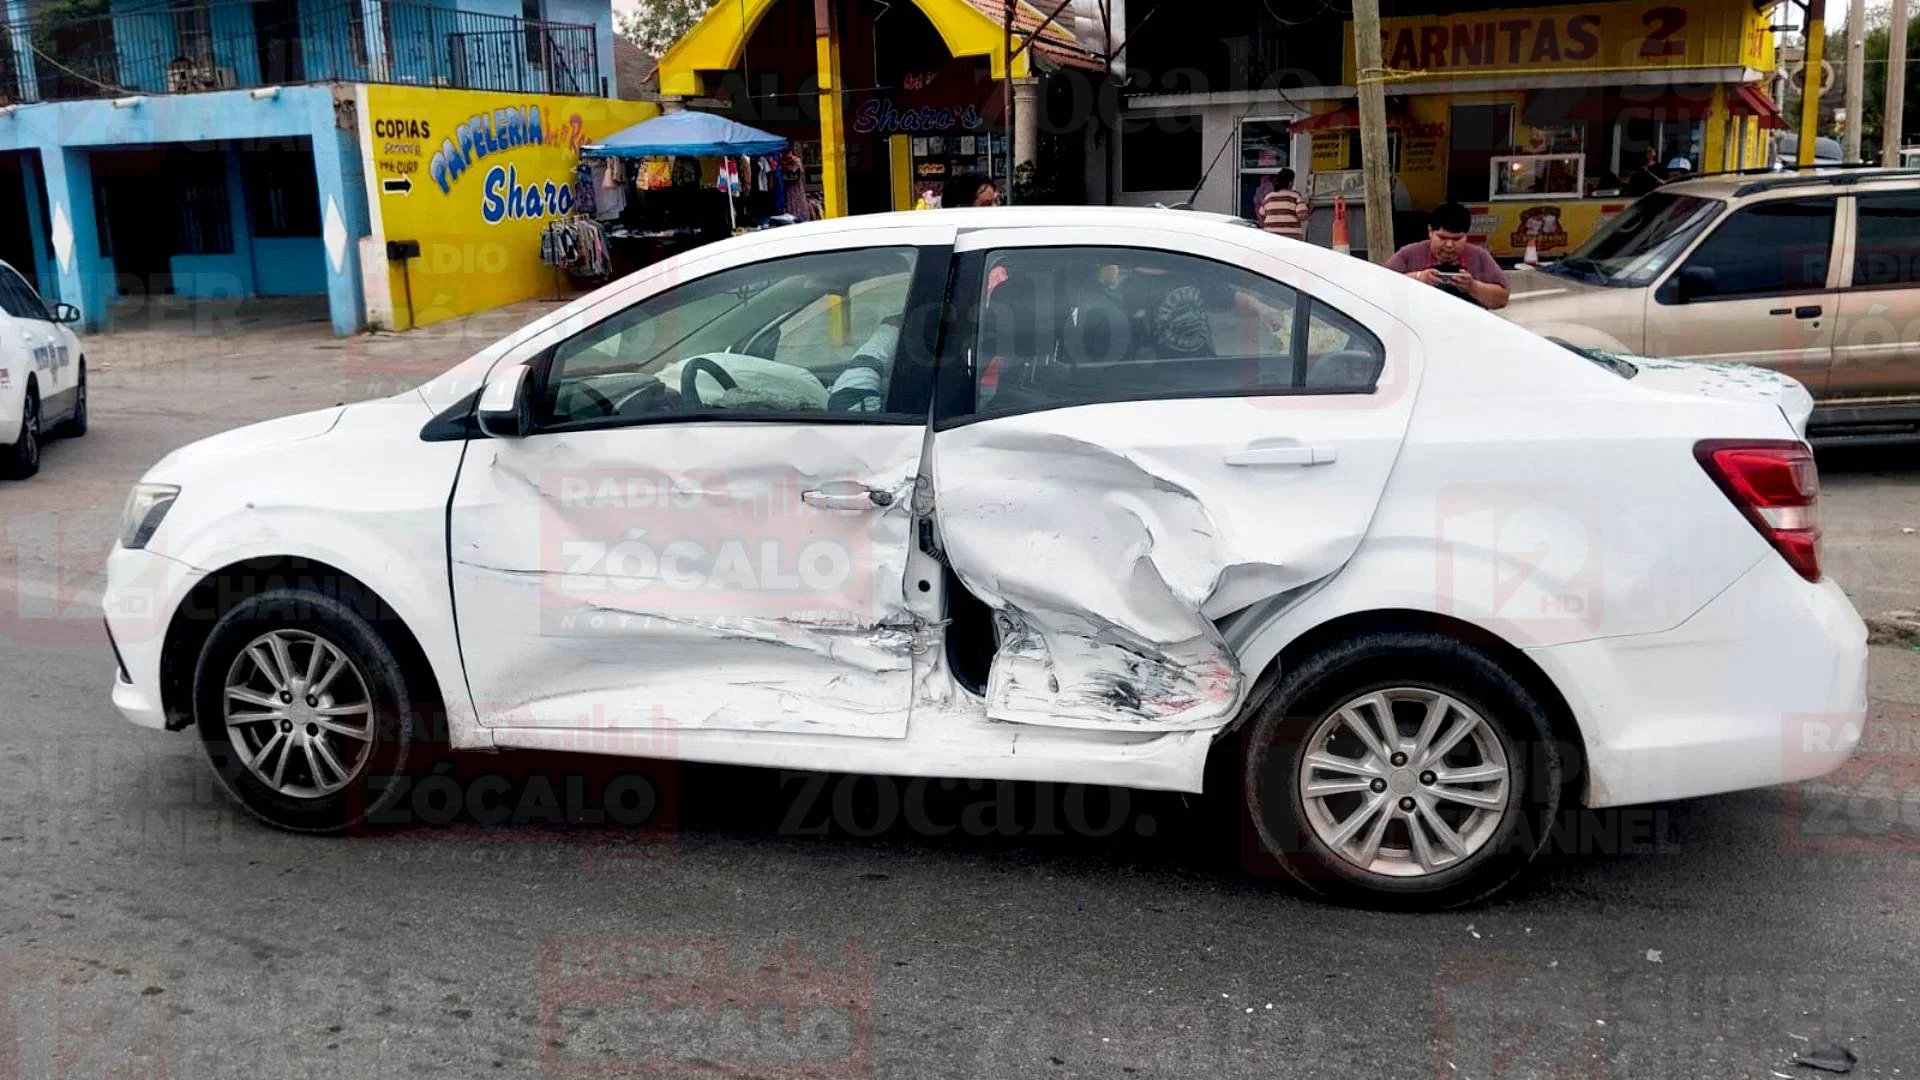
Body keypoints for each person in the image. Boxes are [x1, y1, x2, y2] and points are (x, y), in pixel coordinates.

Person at [1385, 202, 1509, 310]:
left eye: (1457, 239)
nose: (1449, 245)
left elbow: (1502, 299)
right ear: (1430, 232)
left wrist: (1473, 287)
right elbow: (1380, 285)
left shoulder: (1479, 256)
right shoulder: (1409, 253)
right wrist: (1417, 278)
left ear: (1466, 235)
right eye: (1442, 238)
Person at [1257, 167, 1307, 240]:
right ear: (1290, 183)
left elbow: (1261, 215)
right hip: (1292, 237)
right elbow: (1302, 215)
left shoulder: (1268, 197)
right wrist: (1309, 207)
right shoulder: (1295, 196)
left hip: (1271, 237)